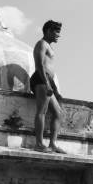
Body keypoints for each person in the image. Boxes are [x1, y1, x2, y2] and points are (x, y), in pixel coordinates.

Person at [30, 20, 66, 153]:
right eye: (56, 32)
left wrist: (55, 88)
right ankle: (39, 144)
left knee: (58, 113)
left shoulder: (50, 47)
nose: (58, 35)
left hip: (48, 81)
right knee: (42, 111)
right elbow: (40, 65)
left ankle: (53, 144)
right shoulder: (41, 44)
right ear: (48, 31)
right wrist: (46, 83)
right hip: (41, 79)